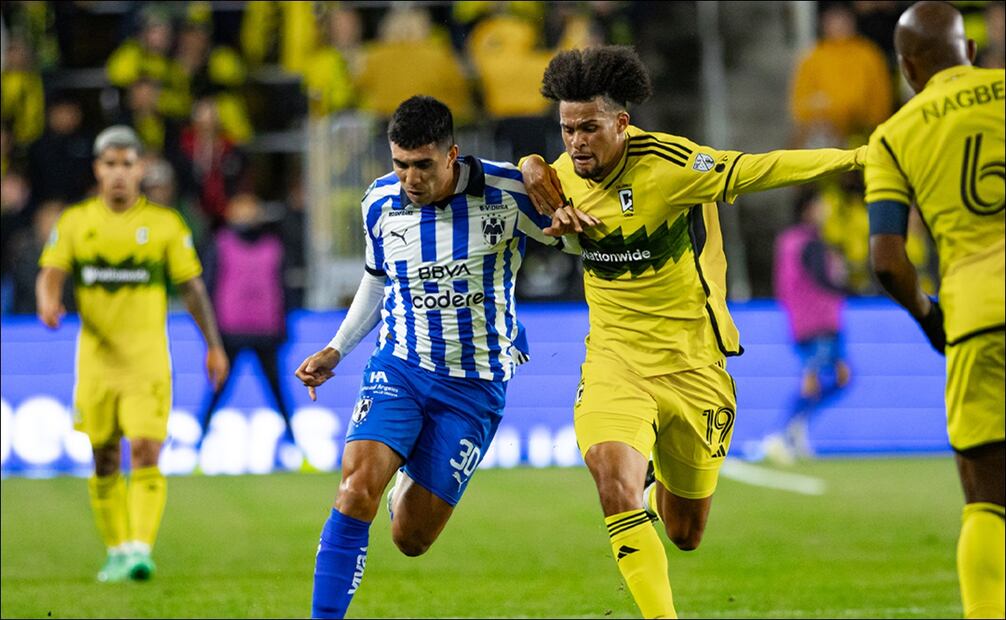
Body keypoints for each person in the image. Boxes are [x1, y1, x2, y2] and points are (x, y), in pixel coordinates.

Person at [520, 46, 865, 618]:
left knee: (685, 532)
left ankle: (660, 482)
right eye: (565, 130)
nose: (576, 142)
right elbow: (479, 180)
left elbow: (762, 168)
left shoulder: (671, 167)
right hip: (614, 360)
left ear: (621, 123)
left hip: (693, 365)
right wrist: (532, 164)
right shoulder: (556, 180)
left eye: (588, 128)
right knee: (610, 477)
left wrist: (855, 160)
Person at [294, 95, 589, 619]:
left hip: (475, 388)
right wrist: (338, 348)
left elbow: (578, 245)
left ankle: (406, 483)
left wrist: (542, 178)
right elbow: (377, 280)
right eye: (400, 164)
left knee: (411, 538)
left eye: (423, 165)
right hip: (400, 368)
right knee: (355, 490)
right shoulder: (378, 203)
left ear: (452, 154)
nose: (410, 178)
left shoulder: (507, 193)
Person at [35, 125, 229, 583]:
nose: (119, 173)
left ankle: (140, 549)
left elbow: (194, 288)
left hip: (147, 362)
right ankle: (117, 549)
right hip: (97, 364)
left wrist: (214, 346)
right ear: (97, 169)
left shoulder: (165, 225)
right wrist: (48, 299)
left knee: (145, 449)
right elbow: (50, 271)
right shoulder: (76, 222)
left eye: (127, 164)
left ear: (140, 168)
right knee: (103, 458)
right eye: (110, 164)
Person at [864, 3, 1004, 617]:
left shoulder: (894, 134)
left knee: (986, 498)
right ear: (969, 48)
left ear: (906, 67)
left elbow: (887, 261)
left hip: (979, 317)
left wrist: (929, 316)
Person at [198, 193, 298, 462]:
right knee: (218, 391)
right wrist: (211, 334)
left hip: (266, 330)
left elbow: (284, 289)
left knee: (278, 392)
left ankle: (294, 446)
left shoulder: (273, 246)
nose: (246, 216)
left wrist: (284, 325)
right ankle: (197, 446)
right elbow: (207, 288)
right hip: (230, 331)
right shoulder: (220, 245)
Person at [763, 188, 852, 465]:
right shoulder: (810, 244)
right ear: (808, 209)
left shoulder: (788, 241)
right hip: (819, 320)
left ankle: (797, 426)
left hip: (803, 319)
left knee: (840, 377)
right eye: (821, 205)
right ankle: (780, 434)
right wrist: (848, 283)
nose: (826, 211)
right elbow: (823, 279)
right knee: (814, 381)